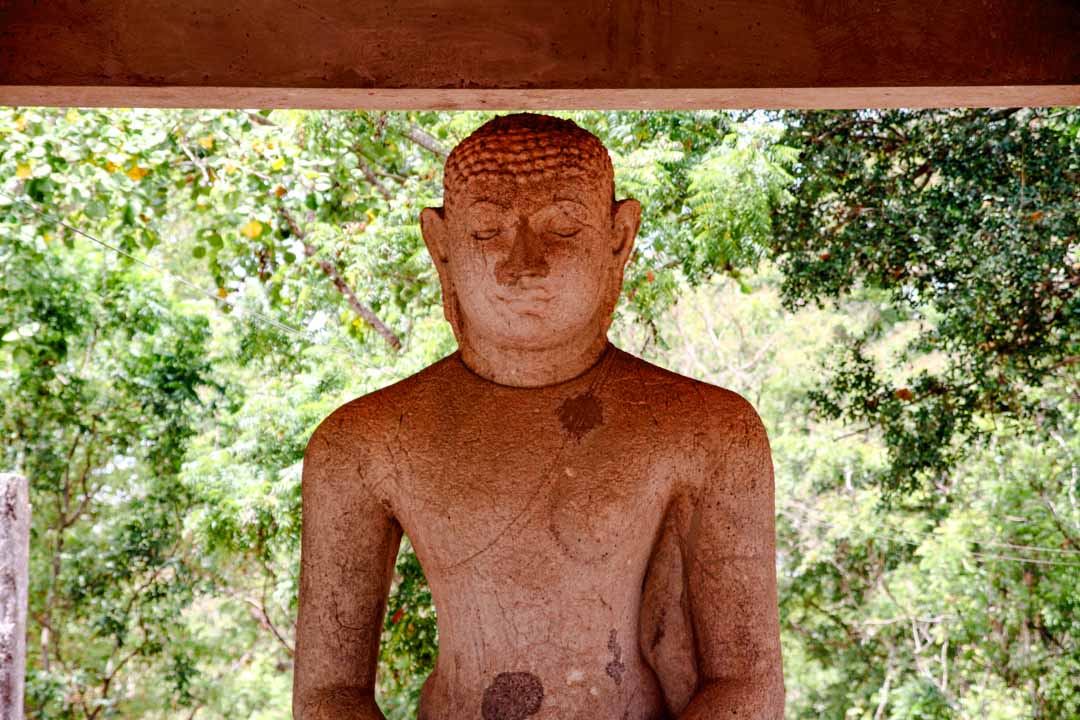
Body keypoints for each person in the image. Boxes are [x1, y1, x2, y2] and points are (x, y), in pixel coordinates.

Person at [293, 113, 784, 720]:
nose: (522, 263)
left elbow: (744, 682)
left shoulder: (710, 428)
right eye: (487, 232)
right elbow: (330, 696)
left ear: (618, 238)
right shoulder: (362, 443)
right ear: (441, 247)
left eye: (561, 227)